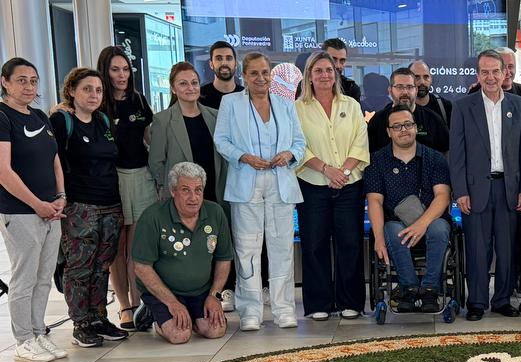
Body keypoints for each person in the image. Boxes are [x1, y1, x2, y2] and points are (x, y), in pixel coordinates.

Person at [214, 52, 306, 331]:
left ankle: (283, 309)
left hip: (280, 184)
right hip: (246, 184)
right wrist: (243, 157)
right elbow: (221, 140)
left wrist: (289, 154)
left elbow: (300, 143)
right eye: (254, 73)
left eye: (265, 72)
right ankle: (250, 311)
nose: (261, 78)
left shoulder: (285, 104)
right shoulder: (231, 103)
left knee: (282, 249)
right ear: (244, 75)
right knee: (247, 249)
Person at [450, 49, 521, 321]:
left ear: (504, 73)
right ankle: (476, 302)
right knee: (477, 248)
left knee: (506, 250)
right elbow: (457, 155)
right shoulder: (463, 107)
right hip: (475, 191)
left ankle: (502, 300)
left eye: (495, 71)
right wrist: (460, 191)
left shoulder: (518, 106)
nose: (490, 77)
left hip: (509, 188)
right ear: (477, 74)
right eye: (484, 72)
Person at [50, 67, 128, 347]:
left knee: (102, 266)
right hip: (80, 206)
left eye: (98, 90)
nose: (94, 95)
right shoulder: (62, 121)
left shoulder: (103, 121)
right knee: (79, 268)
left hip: (110, 204)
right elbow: (52, 161)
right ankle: (81, 323)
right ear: (71, 91)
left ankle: (98, 318)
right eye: (86, 89)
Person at [0, 58, 68, 362]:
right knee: (24, 277)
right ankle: (23, 340)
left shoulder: (40, 116)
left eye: (33, 80)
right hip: (20, 211)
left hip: (51, 210)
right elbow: (4, 172)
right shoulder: (3, 116)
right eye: (21, 80)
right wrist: (37, 204)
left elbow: (54, 160)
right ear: (5, 82)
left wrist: (60, 196)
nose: (29, 86)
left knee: (43, 277)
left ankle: (39, 333)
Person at [294, 50, 370, 321]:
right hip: (313, 184)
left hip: (349, 184)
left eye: (329, 70)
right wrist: (327, 170)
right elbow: (297, 146)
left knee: (350, 243)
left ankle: (350, 302)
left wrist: (344, 172)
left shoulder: (351, 105)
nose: (325, 75)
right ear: (309, 77)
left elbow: (360, 141)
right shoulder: (297, 108)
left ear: (336, 74)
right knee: (314, 244)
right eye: (318, 71)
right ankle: (319, 304)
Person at [365, 105, 452, 313]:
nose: (403, 130)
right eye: (397, 126)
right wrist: (378, 239)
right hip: (396, 223)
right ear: (389, 132)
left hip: (431, 220)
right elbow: (375, 201)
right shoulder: (377, 161)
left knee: (440, 228)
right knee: (393, 230)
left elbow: (442, 196)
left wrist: (421, 224)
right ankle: (408, 289)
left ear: (415, 127)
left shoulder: (435, 158)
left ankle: (430, 289)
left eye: (407, 124)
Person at [132, 162, 231, 344]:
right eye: (185, 190)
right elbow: (141, 267)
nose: (193, 197)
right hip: (164, 292)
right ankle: (152, 313)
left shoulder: (215, 212)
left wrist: (214, 295)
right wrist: (172, 303)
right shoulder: (153, 217)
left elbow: (224, 259)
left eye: (198, 190)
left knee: (215, 330)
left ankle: (192, 316)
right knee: (179, 335)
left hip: (201, 291)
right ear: (173, 191)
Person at [98, 45, 159, 330]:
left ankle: (140, 304)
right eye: (115, 70)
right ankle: (124, 305)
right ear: (105, 72)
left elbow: (149, 138)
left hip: (142, 175)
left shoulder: (138, 100)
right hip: (114, 178)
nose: (122, 75)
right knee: (117, 247)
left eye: (125, 69)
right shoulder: (99, 103)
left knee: (138, 247)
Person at [149, 62, 226, 205]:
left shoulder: (215, 116)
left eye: (194, 83)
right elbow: (156, 163)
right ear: (173, 89)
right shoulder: (162, 120)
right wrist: (169, 189)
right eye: (183, 83)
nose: (191, 88)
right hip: (182, 197)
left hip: (215, 193)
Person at [366, 68, 449, 154]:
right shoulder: (377, 121)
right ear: (390, 90)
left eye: (409, 87)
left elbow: (446, 152)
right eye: (399, 87)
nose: (405, 92)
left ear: (416, 90)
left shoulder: (433, 119)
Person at [294, 38, 362, 102]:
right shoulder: (303, 86)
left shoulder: (351, 87)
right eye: (333, 59)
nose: (338, 65)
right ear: (321, 57)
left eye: (342, 61)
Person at [199, 40, 244, 110]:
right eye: (219, 59)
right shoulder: (200, 96)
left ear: (235, 64)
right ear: (211, 64)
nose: (224, 63)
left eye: (229, 58)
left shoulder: (245, 95)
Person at [409, 60, 452, 126]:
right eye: (416, 77)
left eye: (426, 77)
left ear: (431, 79)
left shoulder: (445, 106)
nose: (422, 82)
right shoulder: (400, 108)